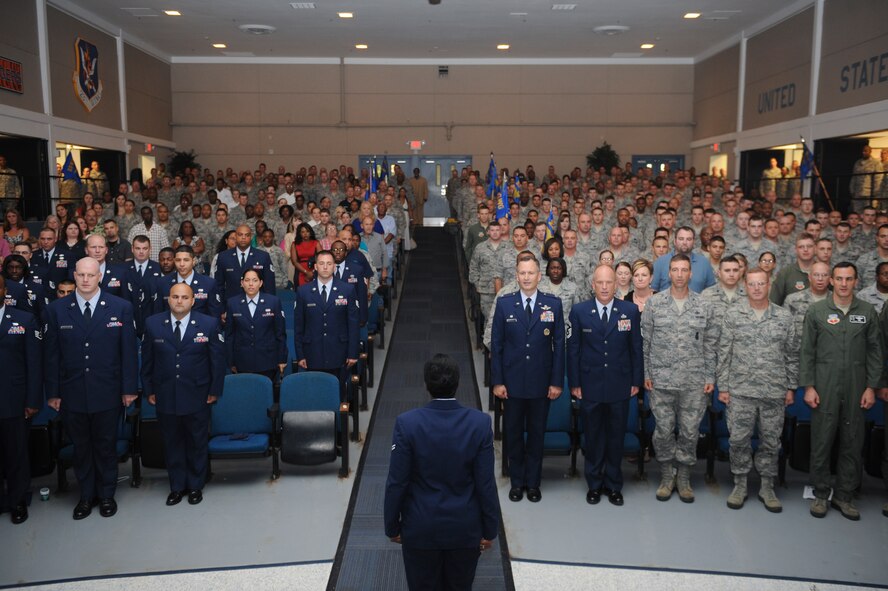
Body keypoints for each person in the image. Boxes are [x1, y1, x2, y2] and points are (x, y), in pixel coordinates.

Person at [384, 354, 499, 591]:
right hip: (464, 529)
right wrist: (490, 529)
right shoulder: (479, 423)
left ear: (426, 385)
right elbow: (485, 483)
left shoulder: (407, 423)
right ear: (458, 384)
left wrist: (392, 527)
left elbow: (397, 482)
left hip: (420, 528)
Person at [44, 257, 138, 520]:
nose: (86, 280)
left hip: (108, 391)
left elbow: (128, 353)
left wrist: (129, 388)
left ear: (100, 277)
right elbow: (51, 356)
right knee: (81, 447)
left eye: (91, 275)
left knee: (106, 446)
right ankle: (86, 495)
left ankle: (106, 494)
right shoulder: (57, 310)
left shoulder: (120, 308)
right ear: (74, 276)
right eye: (81, 275)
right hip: (72, 392)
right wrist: (53, 392)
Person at [800, 262, 882, 520]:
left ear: (856, 281)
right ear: (832, 281)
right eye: (839, 278)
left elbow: (875, 352)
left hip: (857, 386)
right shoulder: (816, 311)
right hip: (824, 385)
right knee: (822, 440)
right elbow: (807, 351)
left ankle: (845, 496)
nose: (844, 283)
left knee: (853, 441)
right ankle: (821, 495)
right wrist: (809, 386)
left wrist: (871, 387)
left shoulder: (867, 311)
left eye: (849, 278)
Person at [716, 267, 798, 513]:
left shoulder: (784, 317)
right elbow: (724, 352)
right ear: (745, 285)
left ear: (769, 284)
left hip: (774, 391)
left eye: (761, 283)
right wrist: (724, 386)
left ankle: (766, 486)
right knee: (738, 440)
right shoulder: (733, 314)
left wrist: (791, 387)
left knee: (771, 441)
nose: (756, 288)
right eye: (752, 284)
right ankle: (740, 484)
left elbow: (792, 354)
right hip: (740, 390)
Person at [641, 253, 719, 503]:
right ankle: (666, 475)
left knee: (689, 431)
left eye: (684, 270)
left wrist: (709, 376)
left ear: (691, 274)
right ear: (669, 273)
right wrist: (646, 373)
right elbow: (646, 342)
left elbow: (710, 343)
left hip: (694, 382)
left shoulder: (704, 306)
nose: (679, 274)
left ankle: (683, 477)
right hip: (661, 380)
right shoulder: (654, 304)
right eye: (675, 269)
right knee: (663, 431)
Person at [141, 283, 225, 507]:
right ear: (168, 299)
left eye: (184, 297)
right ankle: (177, 486)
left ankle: (196, 485)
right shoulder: (153, 324)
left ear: (192, 301)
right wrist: (149, 390)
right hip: (165, 395)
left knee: (197, 441)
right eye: (175, 297)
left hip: (198, 394)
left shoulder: (208, 324)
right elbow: (147, 361)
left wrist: (214, 391)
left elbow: (217, 362)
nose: (179, 301)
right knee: (172, 442)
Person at [490, 252, 564, 503]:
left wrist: (556, 382)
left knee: (535, 435)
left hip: (541, 385)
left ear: (539, 275)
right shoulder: (505, 303)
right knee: (512, 434)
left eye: (531, 272)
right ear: (516, 275)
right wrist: (497, 381)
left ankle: (533, 483)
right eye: (522, 273)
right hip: (511, 384)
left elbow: (559, 345)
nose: (526, 277)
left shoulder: (553, 304)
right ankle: (516, 481)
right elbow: (496, 345)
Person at [568, 265, 643, 507]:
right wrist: (575, 383)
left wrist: (636, 381)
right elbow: (574, 350)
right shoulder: (580, 311)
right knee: (593, 436)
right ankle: (594, 484)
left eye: (608, 282)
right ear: (592, 284)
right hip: (589, 386)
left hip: (620, 385)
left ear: (616, 284)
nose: (604, 287)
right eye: (599, 282)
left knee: (615, 437)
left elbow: (636, 349)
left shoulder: (629, 311)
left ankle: (613, 485)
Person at [0, 275, 43, 524]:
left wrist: (32, 400)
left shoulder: (24, 319)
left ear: (5, 291)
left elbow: (34, 364)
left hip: (14, 400)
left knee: (16, 454)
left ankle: (18, 500)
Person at [293, 250, 359, 380]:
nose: (325, 267)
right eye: (321, 263)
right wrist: (300, 354)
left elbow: (353, 324)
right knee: (314, 394)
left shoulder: (347, 290)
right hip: (312, 352)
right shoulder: (303, 291)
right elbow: (299, 326)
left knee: (337, 393)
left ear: (334, 266)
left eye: (329, 263)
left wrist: (353, 353)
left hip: (339, 352)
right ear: (315, 266)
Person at [224, 268, 288, 381]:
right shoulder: (232, 303)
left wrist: (282, 359)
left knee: (266, 395)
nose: (251, 284)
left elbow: (280, 333)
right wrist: (230, 361)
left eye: (254, 280)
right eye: (247, 280)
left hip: (268, 361)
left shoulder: (273, 301)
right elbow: (229, 335)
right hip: (242, 361)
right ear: (242, 283)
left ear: (261, 283)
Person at [214, 224, 275, 303]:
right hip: (231, 305)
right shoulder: (223, 257)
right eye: (240, 235)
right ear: (235, 237)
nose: (243, 237)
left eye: (247, 235)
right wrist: (221, 309)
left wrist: (269, 306)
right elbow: (218, 286)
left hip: (258, 305)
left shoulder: (263, 256)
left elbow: (269, 286)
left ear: (251, 237)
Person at [650, 227, 716, 293]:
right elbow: (652, 290)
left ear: (694, 242)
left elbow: (711, 291)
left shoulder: (704, 263)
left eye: (689, 239)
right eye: (681, 239)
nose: (684, 242)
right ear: (675, 241)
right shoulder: (660, 262)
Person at [289, 222, 319, 286]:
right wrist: (306, 272)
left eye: (307, 231)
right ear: (299, 233)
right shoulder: (294, 244)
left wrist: (313, 272)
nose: (305, 234)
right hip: (300, 270)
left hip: (314, 270)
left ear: (310, 232)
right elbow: (294, 261)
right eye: (303, 232)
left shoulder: (316, 243)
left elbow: (321, 258)